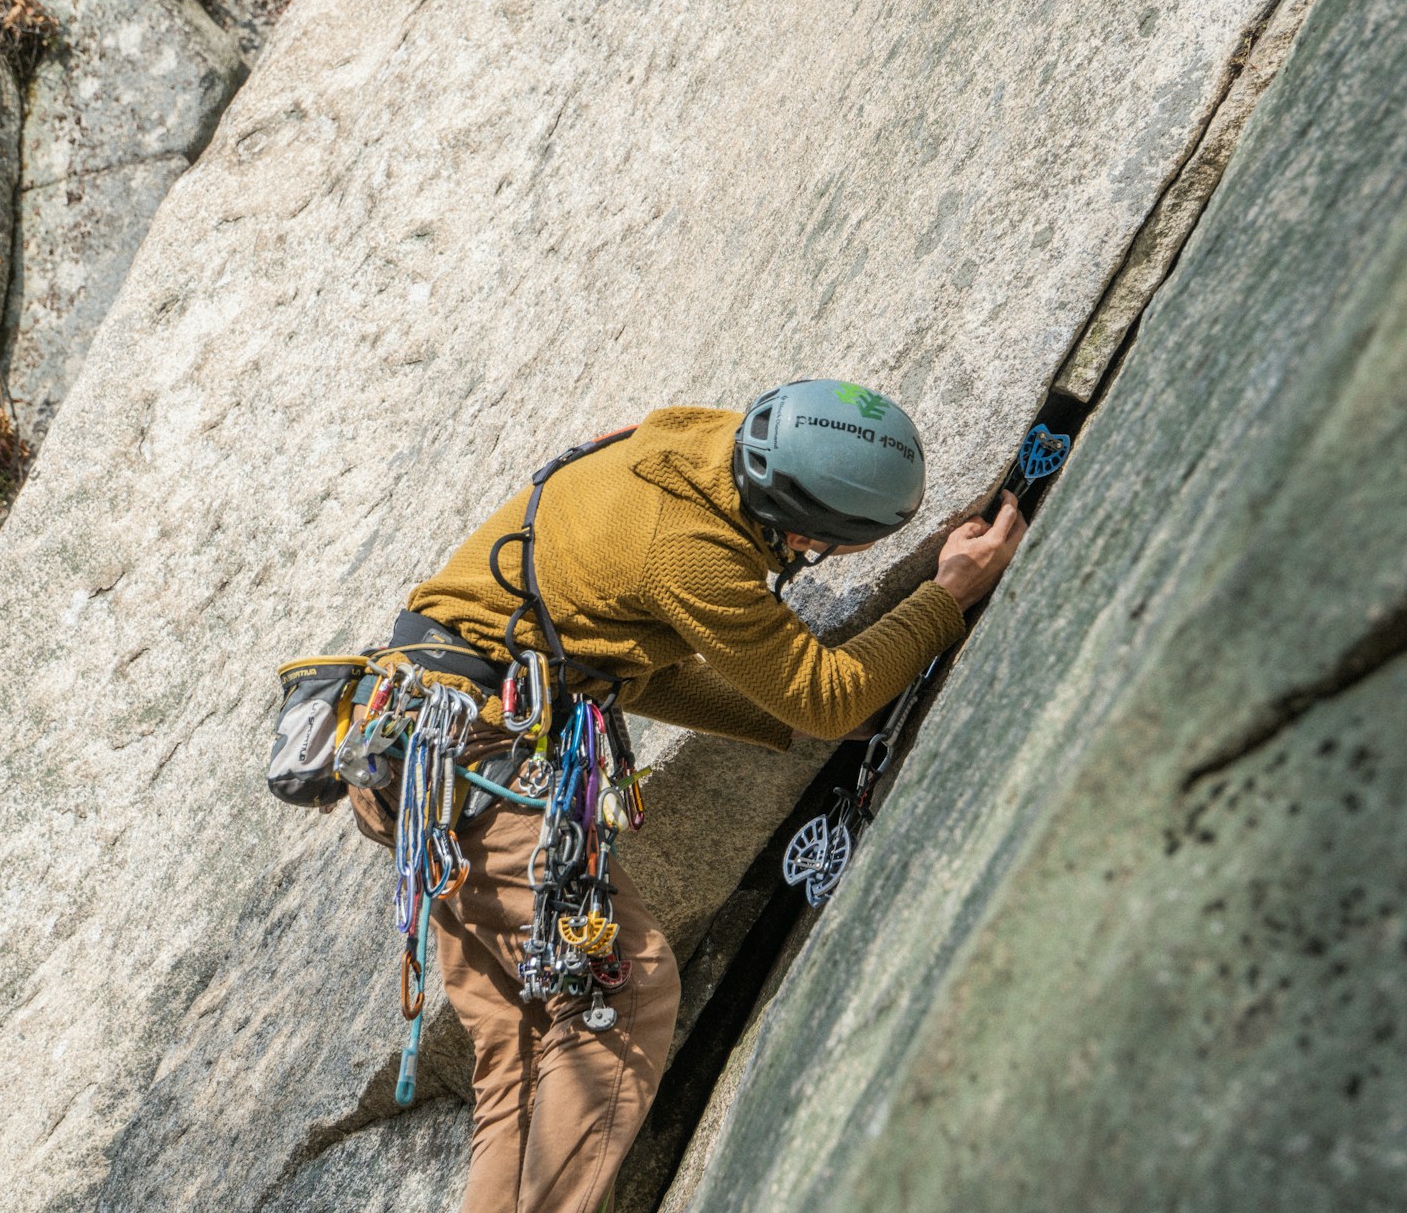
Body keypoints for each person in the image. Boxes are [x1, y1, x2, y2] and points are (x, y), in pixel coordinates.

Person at [352, 380, 1025, 1213]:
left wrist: (790, 721)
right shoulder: (693, 551)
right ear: (817, 534)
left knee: (523, 1049)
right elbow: (827, 692)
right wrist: (945, 598)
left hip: (419, 748)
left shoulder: (688, 446)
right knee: (620, 996)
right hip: (479, 757)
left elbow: (632, 669)